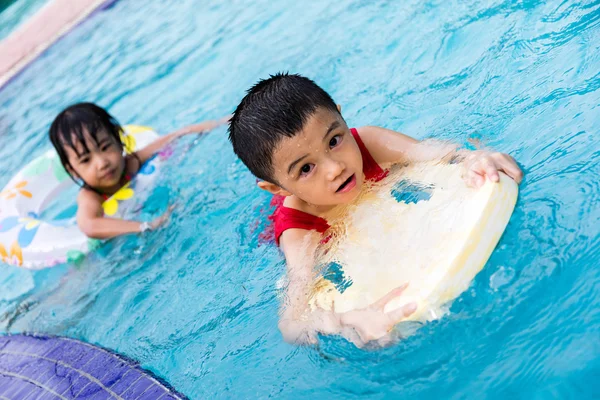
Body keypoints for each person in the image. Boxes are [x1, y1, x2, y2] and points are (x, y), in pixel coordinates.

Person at [228, 73, 524, 347]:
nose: (335, 168)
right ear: (278, 188)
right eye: (306, 168)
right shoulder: (298, 231)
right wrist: (346, 320)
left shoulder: (368, 142)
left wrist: (475, 159)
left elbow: (441, 155)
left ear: (342, 118)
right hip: (279, 227)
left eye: (334, 140)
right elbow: (292, 323)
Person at [49, 102, 227, 239]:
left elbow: (178, 135)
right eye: (86, 160)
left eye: (104, 147)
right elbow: (89, 225)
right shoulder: (91, 196)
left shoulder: (132, 162)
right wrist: (145, 226)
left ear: (118, 140)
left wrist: (222, 122)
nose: (101, 163)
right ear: (72, 170)